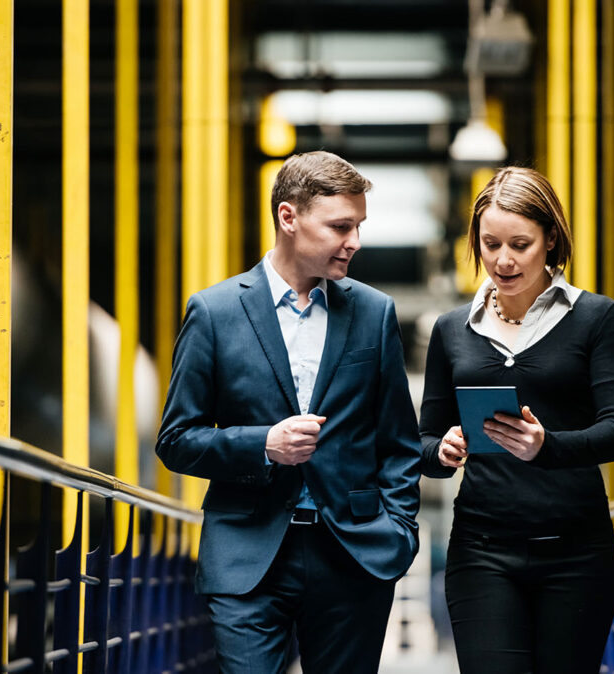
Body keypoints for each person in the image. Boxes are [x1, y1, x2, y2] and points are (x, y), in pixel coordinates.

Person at [156, 151, 422, 674]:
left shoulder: (374, 312)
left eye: (359, 226)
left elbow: (399, 442)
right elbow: (176, 439)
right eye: (340, 226)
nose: (355, 241)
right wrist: (263, 444)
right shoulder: (214, 312)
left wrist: (398, 532)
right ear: (288, 217)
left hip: (354, 555)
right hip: (246, 556)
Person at [420, 166, 614, 673]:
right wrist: (441, 451)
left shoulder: (598, 319)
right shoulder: (451, 330)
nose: (503, 259)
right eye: (490, 244)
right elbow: (423, 441)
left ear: (551, 239)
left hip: (576, 553)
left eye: (520, 244)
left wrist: (547, 446)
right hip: (481, 553)